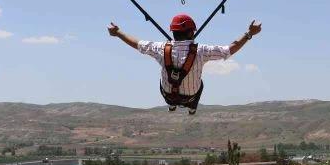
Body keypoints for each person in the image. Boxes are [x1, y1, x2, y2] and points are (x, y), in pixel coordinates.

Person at [107, 14, 261, 114]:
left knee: (163, 81)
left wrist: (117, 32)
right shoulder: (202, 51)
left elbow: (137, 44)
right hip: (190, 96)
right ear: (191, 33)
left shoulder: (160, 48)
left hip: (168, 94)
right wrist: (249, 34)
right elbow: (230, 49)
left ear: (173, 32)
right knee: (200, 84)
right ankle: (192, 108)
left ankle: (171, 105)